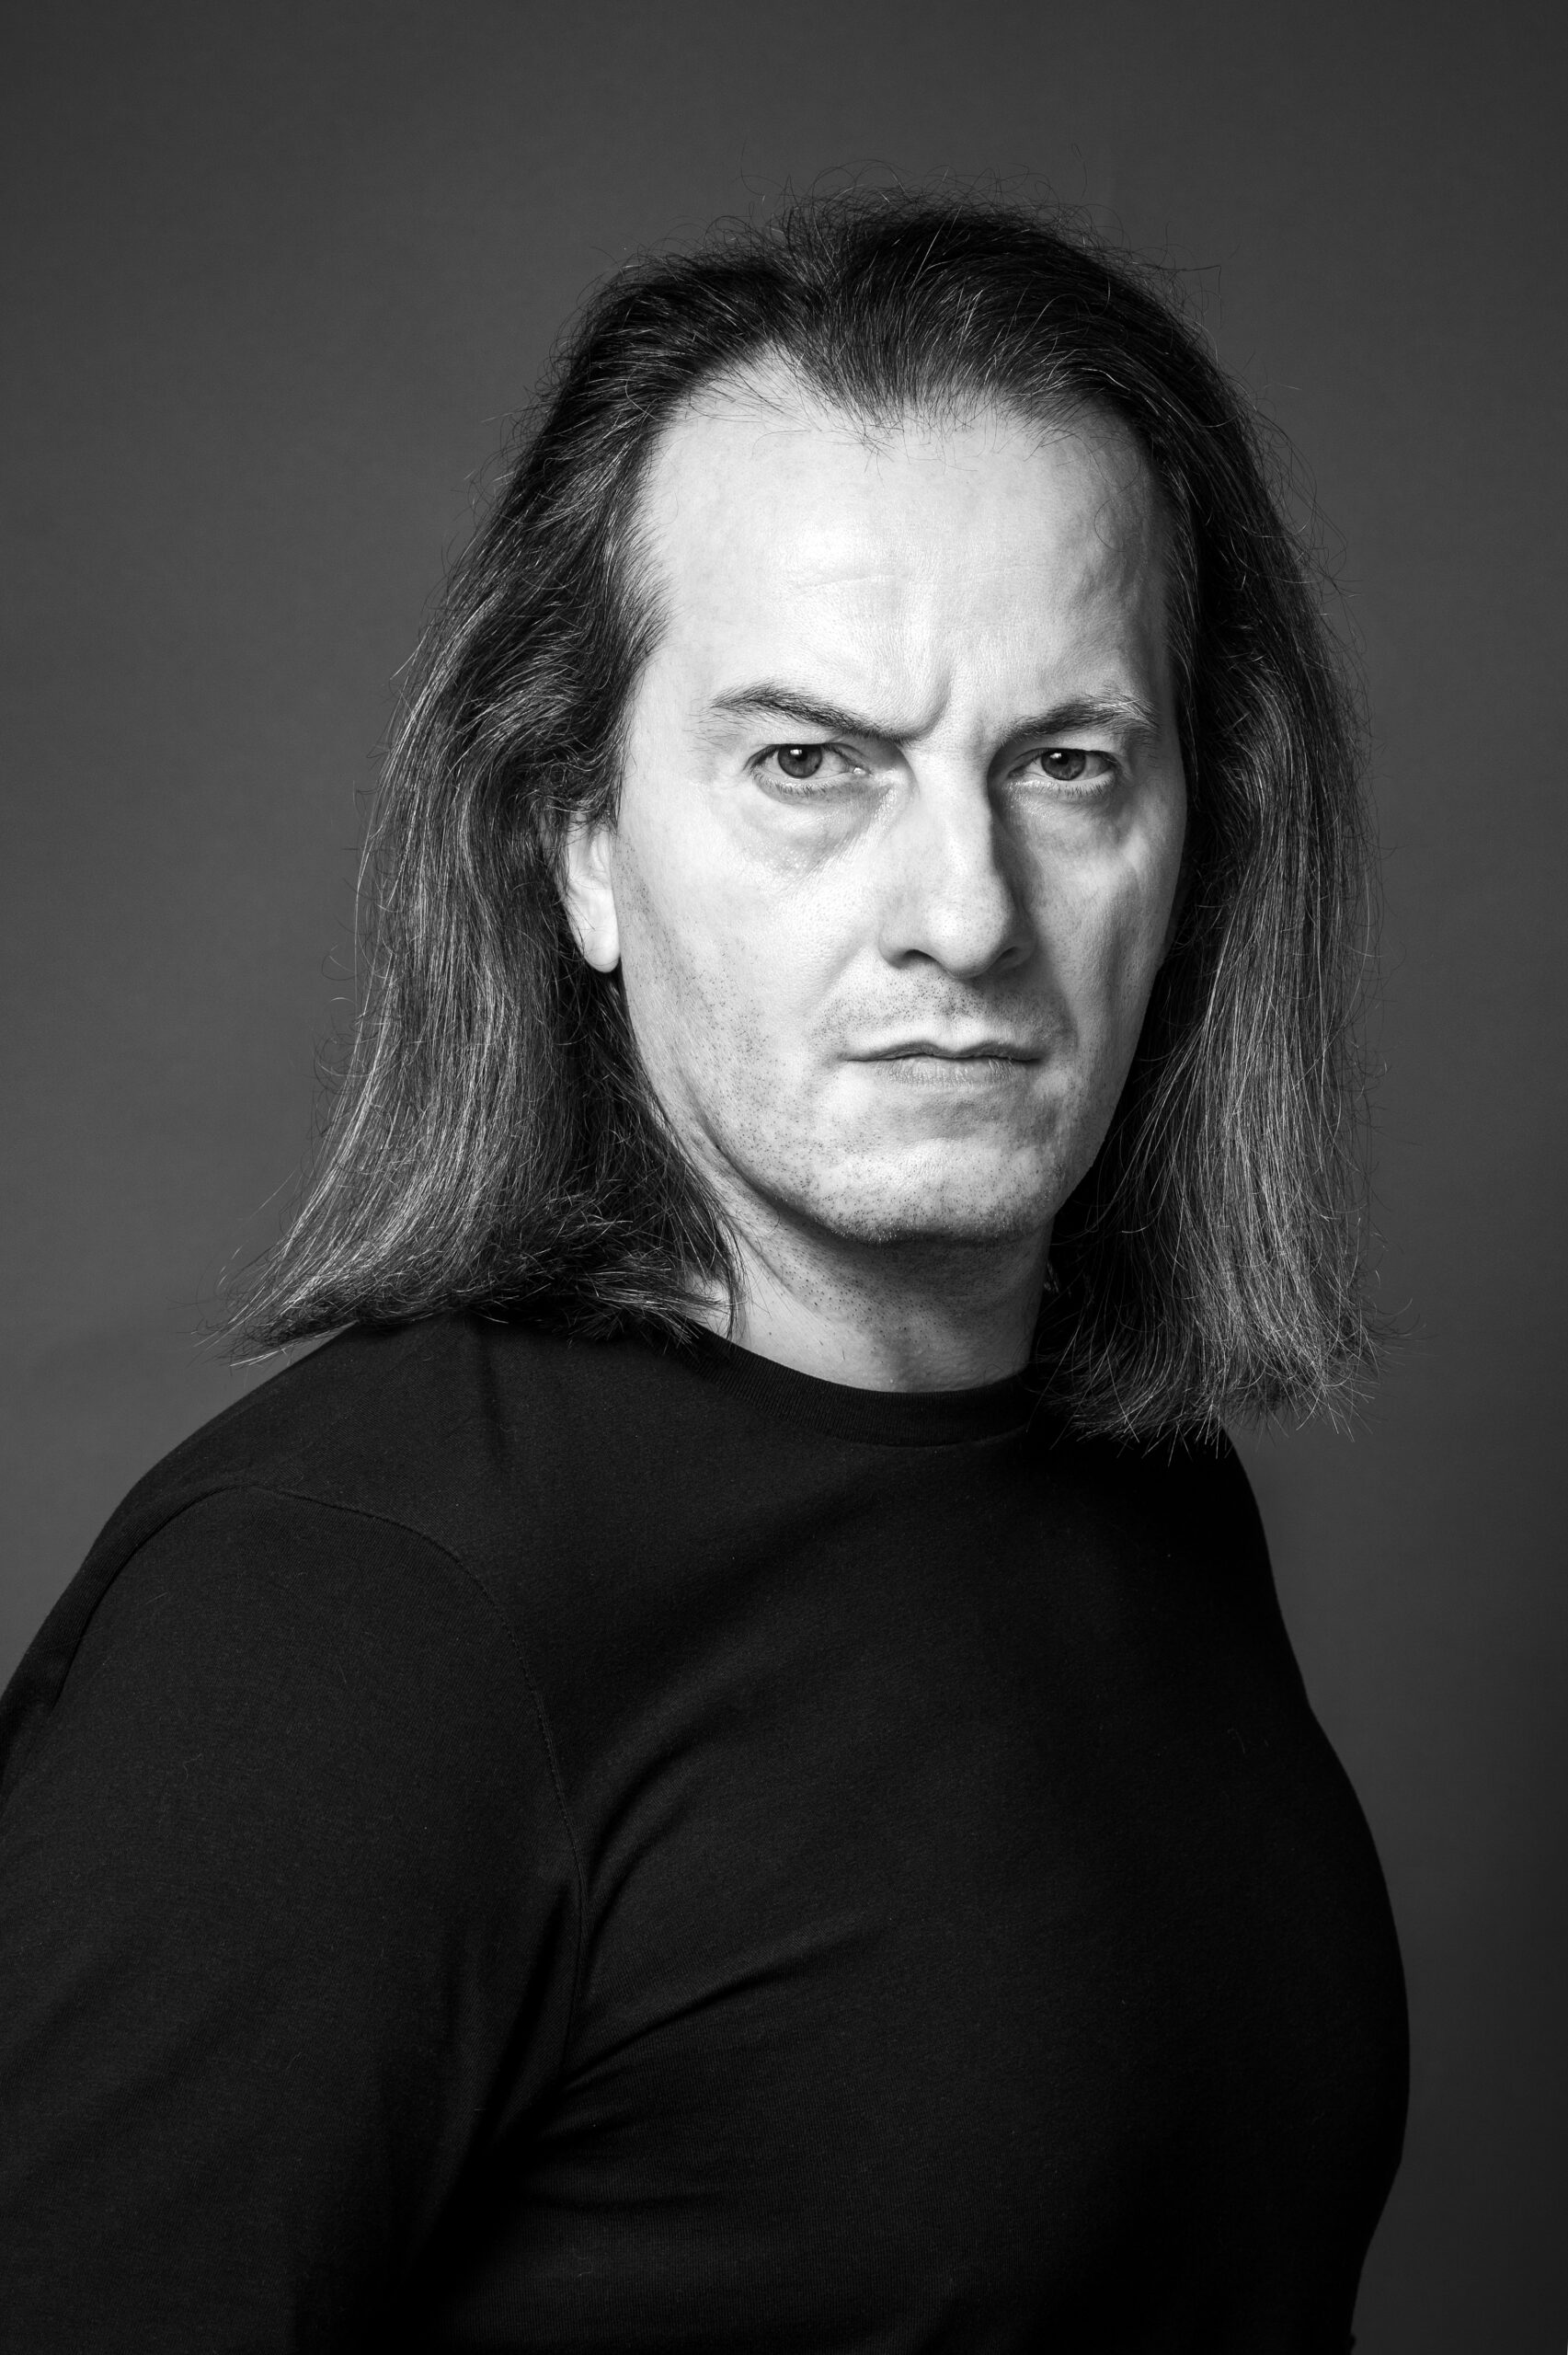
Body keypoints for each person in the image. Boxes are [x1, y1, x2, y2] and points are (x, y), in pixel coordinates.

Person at [0, 192, 1406, 2351]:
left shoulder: (1141, 1488)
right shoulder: (337, 1625)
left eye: (1062, 762)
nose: (964, 910)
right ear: (579, 843)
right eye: (809, 764)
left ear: (1191, 838)